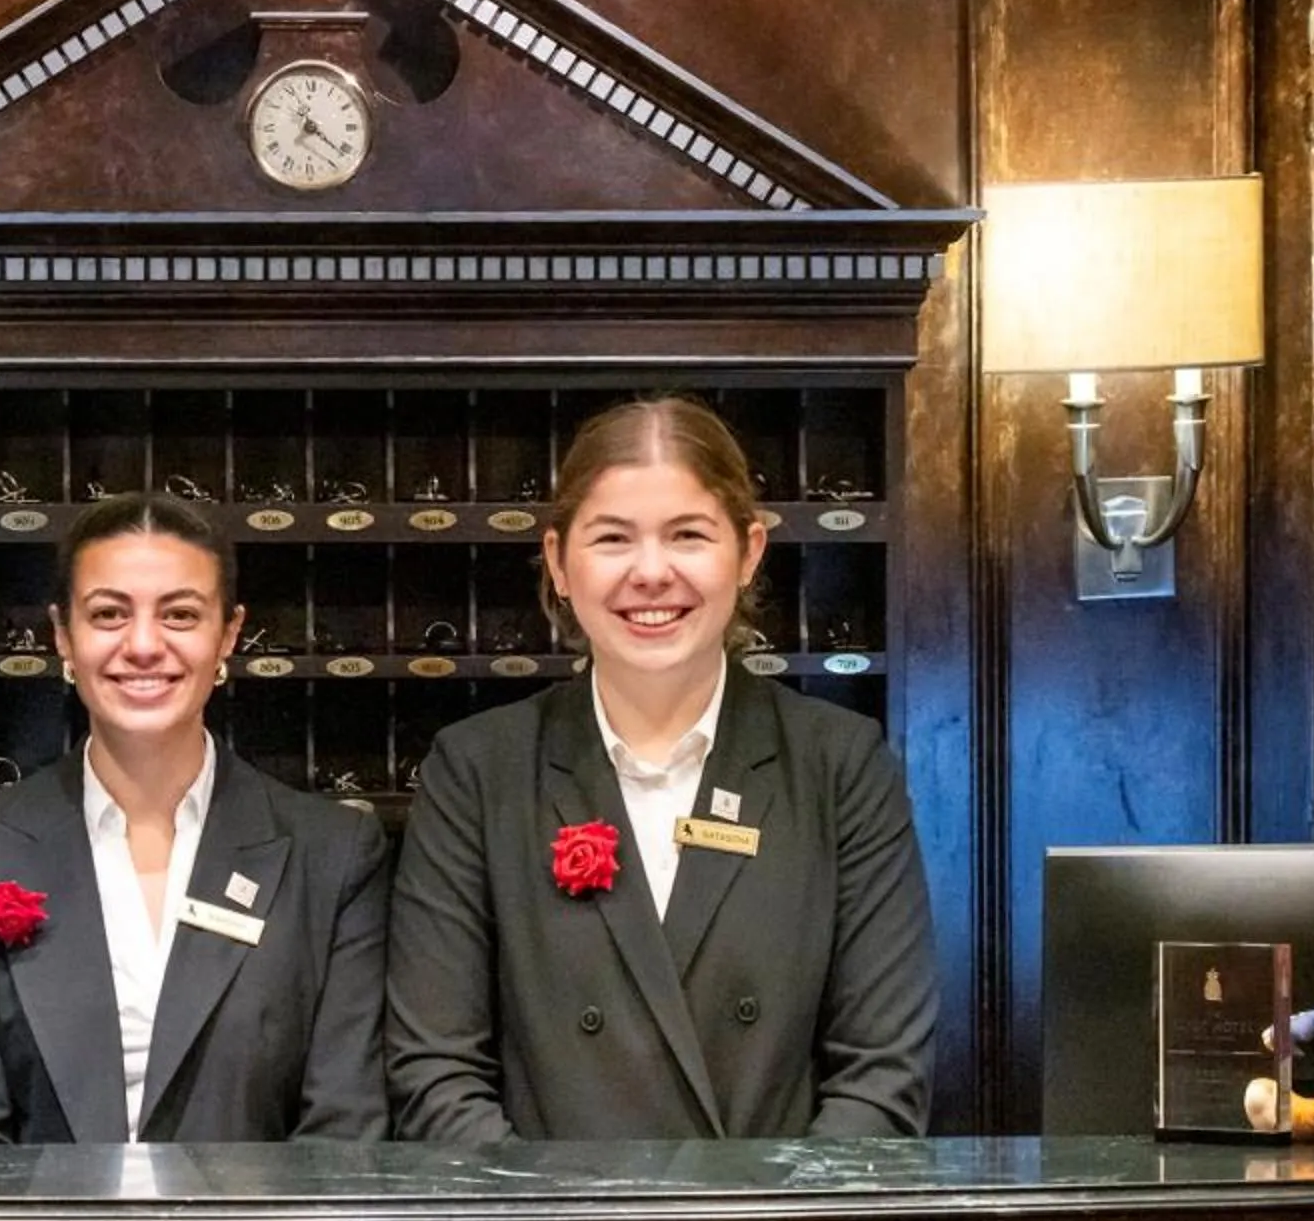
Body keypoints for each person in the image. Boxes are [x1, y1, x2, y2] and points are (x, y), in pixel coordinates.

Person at [385, 396, 939, 1142]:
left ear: (748, 552)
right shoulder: (478, 772)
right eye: (613, 538)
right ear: (558, 560)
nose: (651, 573)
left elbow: (882, 1075)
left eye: (688, 535)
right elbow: (434, 1074)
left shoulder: (841, 767)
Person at [0, 492, 389, 1143]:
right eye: (109, 614)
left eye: (180, 615)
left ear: (228, 633)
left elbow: (344, 1128)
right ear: (63, 634)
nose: (143, 645)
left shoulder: (334, 855)